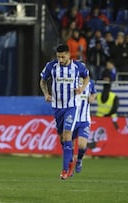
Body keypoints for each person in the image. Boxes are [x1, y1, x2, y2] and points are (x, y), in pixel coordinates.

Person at [40, 44, 90, 180]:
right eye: (58, 57)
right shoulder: (51, 66)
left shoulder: (78, 67)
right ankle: (71, 162)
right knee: (63, 140)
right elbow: (43, 81)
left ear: (69, 55)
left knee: (68, 136)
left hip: (71, 106)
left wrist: (81, 88)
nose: (60, 60)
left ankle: (64, 170)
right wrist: (45, 94)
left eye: (63, 57)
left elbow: (87, 77)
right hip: (57, 107)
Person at [70, 77, 96, 175]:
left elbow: (94, 93)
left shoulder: (90, 83)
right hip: (72, 119)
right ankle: (70, 166)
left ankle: (79, 159)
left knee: (82, 145)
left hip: (84, 120)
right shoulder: (71, 82)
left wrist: (92, 98)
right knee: (70, 146)